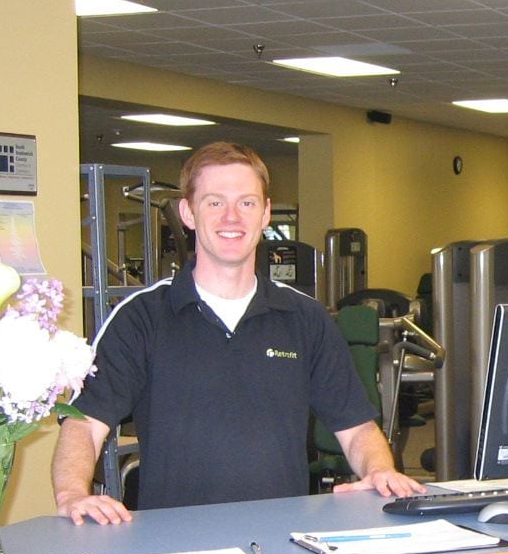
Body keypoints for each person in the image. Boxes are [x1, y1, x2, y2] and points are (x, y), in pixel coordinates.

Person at [54, 141, 426, 524]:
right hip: (173, 543)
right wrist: (72, 495)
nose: (232, 217)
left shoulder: (305, 318)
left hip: (282, 537)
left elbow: (356, 427)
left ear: (265, 214)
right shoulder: (141, 318)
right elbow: (84, 423)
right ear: (188, 213)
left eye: (246, 203)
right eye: (215, 202)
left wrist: (379, 469)